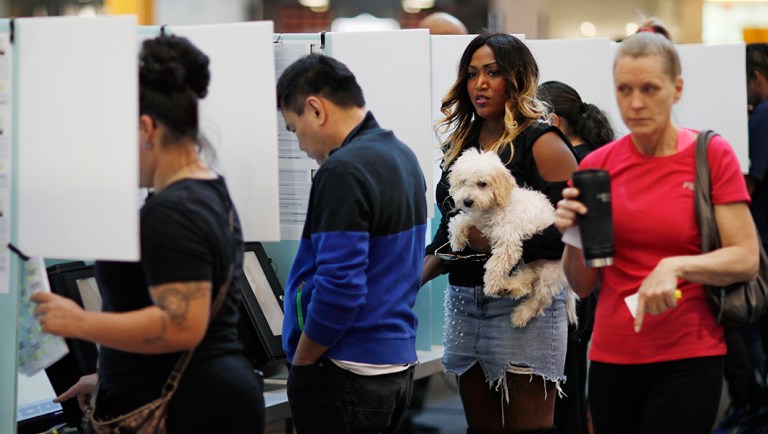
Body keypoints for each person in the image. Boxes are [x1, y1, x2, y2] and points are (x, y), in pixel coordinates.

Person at [30, 35, 265, 434]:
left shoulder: (172, 209)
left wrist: (80, 322)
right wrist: (109, 377)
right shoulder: (207, 191)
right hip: (200, 397)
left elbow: (181, 324)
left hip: (189, 409)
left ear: (146, 127)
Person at [554, 25, 760, 434]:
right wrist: (572, 236)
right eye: (624, 89)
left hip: (689, 353)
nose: (635, 103)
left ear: (676, 88)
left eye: (649, 89)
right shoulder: (597, 167)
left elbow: (746, 257)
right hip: (613, 355)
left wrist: (676, 267)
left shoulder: (709, 153)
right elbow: (582, 284)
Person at [422, 32, 579, 433]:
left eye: (492, 72)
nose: (480, 83)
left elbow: (574, 229)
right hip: (464, 301)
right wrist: (414, 276)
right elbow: (449, 226)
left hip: (524, 302)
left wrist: (500, 243)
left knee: (529, 428)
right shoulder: (463, 145)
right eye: (472, 74)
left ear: (517, 77)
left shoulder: (541, 142)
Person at [276, 53, 428, 434]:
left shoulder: (342, 171)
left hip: (343, 365)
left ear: (315, 109)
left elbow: (341, 287)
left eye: (294, 129)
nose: (299, 145)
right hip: (392, 364)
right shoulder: (402, 156)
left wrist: (304, 359)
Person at [538, 80, 614, 434]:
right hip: (587, 289)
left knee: (564, 394)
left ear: (552, 121)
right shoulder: (596, 156)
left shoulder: (570, 166)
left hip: (573, 286)